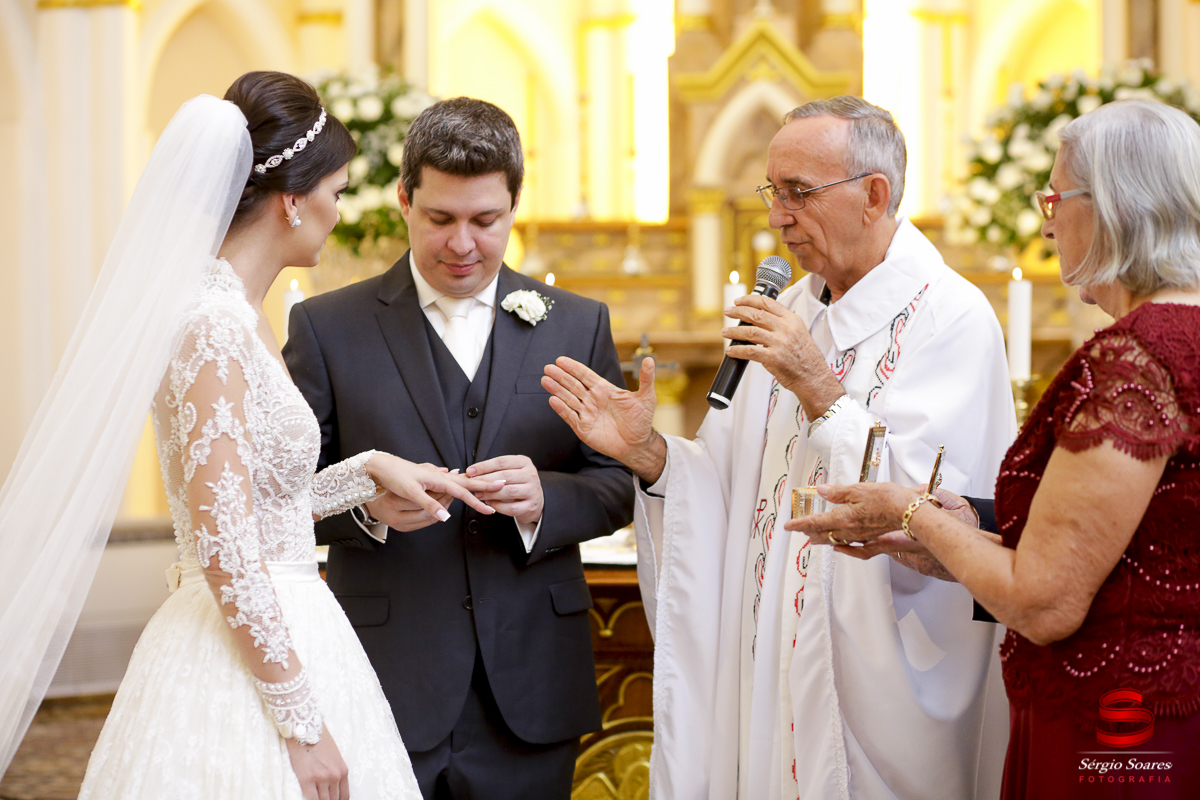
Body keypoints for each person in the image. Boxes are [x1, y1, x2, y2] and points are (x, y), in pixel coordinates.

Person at [0, 72, 506, 800]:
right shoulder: (209, 327)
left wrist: (368, 473)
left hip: (296, 618)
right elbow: (226, 543)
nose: (338, 210)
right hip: (244, 650)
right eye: (334, 189)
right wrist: (302, 723)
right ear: (292, 200)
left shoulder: (241, 315)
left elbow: (260, 503)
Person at [542, 96, 1015, 800]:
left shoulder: (951, 317)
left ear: (873, 195)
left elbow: (938, 515)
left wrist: (819, 386)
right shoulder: (791, 311)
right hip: (772, 666)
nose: (775, 218)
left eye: (798, 193)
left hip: (884, 680)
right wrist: (650, 454)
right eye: (773, 192)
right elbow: (730, 487)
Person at [790, 99, 1200, 799]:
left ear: (1114, 206)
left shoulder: (1137, 358)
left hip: (1119, 720)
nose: (1046, 221)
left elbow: (1045, 601)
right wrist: (971, 521)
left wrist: (908, 512)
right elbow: (1150, 533)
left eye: (1055, 196)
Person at [282, 97, 633, 800]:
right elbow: (281, 495)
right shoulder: (327, 327)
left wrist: (545, 500)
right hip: (384, 676)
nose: (463, 243)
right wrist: (367, 506)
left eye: (485, 220)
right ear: (406, 200)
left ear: (514, 208)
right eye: (441, 219)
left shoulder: (579, 325)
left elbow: (617, 481)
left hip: (532, 686)